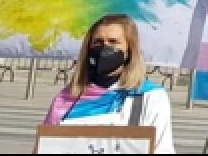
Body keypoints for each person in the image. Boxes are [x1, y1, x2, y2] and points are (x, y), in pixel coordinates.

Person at [43, 14, 175, 154]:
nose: (104, 47)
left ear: (129, 51)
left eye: (113, 42)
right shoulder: (66, 98)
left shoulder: (150, 97)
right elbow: (44, 147)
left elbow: (161, 149)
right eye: (98, 42)